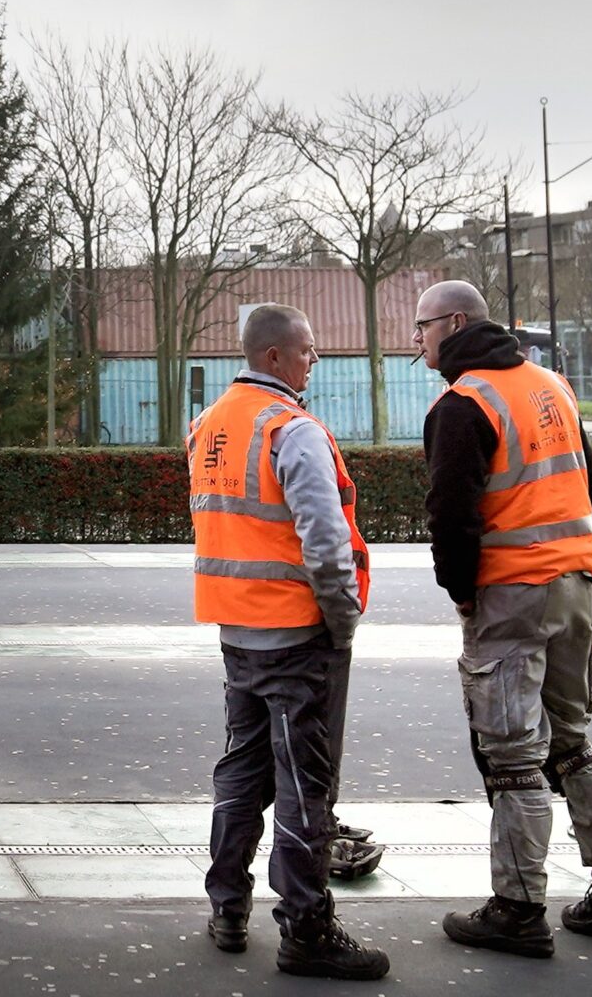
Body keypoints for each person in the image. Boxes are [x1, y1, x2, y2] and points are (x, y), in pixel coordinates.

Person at [413, 280, 592, 959]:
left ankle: (517, 908)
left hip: (512, 593)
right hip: (575, 584)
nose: (418, 340)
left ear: (455, 323)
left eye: (422, 327)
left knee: (513, 754)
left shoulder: (463, 404)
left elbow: (451, 516)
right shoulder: (552, 386)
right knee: (571, 741)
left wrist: (463, 592)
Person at [190, 302, 390, 981]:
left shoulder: (209, 426)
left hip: (237, 632)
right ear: (273, 356)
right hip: (297, 634)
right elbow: (325, 544)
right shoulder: (291, 429)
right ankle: (307, 929)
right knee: (306, 782)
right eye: (307, 349)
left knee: (241, 769)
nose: (314, 359)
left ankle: (227, 908)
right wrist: (343, 620)